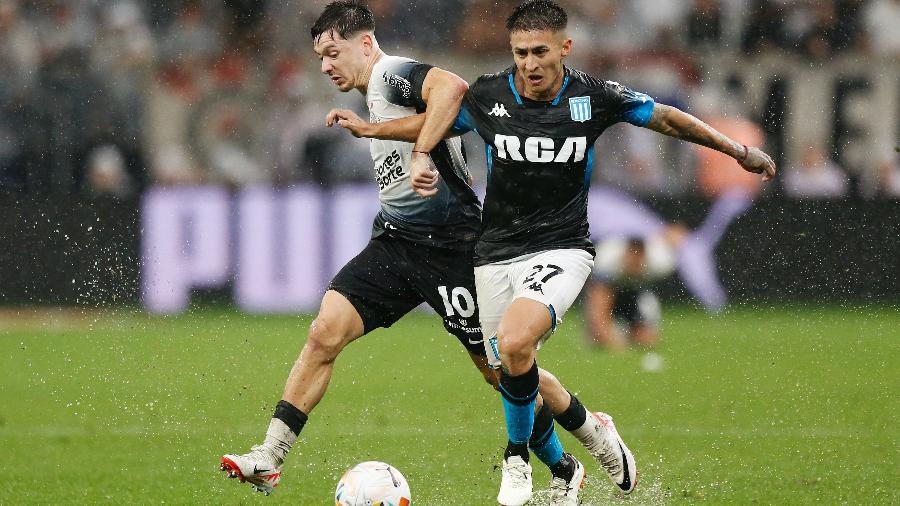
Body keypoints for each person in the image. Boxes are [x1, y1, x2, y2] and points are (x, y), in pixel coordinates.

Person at [338, 2, 776, 504]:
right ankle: (591, 429)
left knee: (516, 342)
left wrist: (737, 152)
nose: (529, 62)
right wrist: (374, 130)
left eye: (540, 51)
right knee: (508, 366)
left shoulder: (594, 95)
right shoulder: (489, 94)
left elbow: (669, 120)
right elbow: (434, 122)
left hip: (563, 248)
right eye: (521, 52)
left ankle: (517, 460)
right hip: (494, 252)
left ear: (564, 48)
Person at [220, 3, 618, 502]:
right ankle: (270, 458)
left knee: (502, 371)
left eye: (332, 51)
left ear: (365, 43)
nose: (325, 65)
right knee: (324, 332)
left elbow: (451, 87)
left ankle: (576, 446)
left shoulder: (389, 75)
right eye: (320, 56)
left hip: (453, 246)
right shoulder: (372, 94)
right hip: (396, 240)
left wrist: (423, 154)